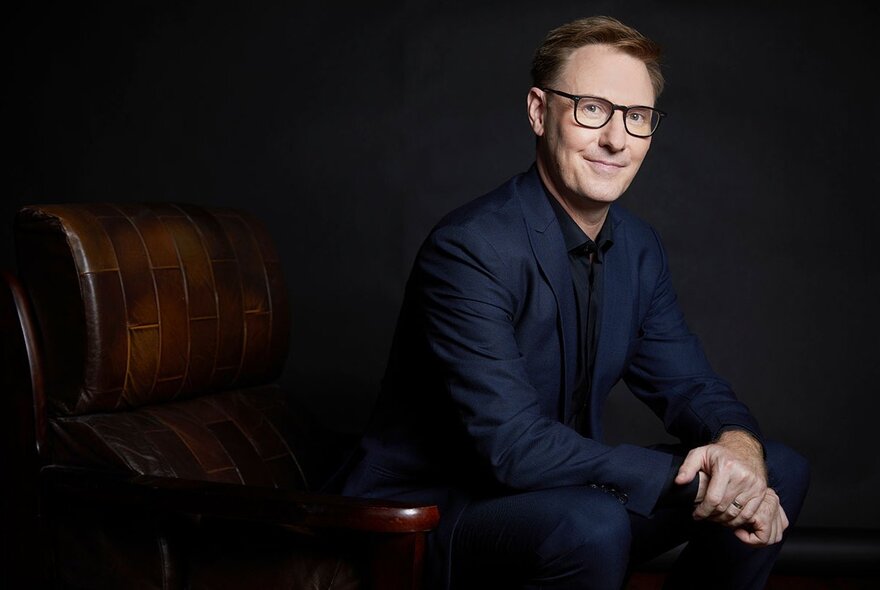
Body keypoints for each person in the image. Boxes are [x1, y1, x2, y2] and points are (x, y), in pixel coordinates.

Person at [342, 15, 809, 590]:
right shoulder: (471, 248)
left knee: (774, 470)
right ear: (540, 112)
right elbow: (511, 447)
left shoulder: (638, 249)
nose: (616, 138)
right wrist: (692, 475)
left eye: (636, 117)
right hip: (429, 518)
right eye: (592, 108)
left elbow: (689, 386)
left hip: (563, 502)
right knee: (594, 522)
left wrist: (736, 448)